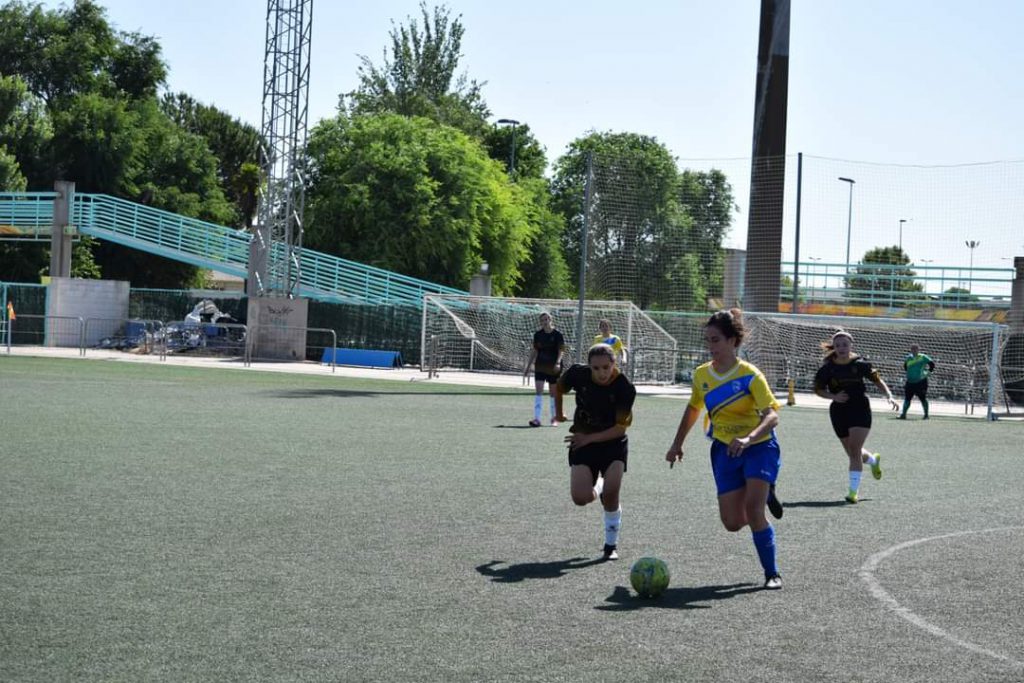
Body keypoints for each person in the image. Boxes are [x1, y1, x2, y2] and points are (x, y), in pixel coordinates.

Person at [665, 309, 784, 590]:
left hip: (758, 447)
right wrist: (677, 443)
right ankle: (764, 494)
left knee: (754, 512)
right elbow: (694, 408)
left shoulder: (750, 375)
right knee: (732, 523)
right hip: (724, 451)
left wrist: (748, 437)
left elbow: (773, 416)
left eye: (716, 340)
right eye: (707, 340)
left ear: (732, 341)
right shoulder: (702, 375)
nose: (711, 347)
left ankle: (772, 573)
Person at [554, 343, 637, 561]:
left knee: (611, 494)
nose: (601, 372)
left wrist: (588, 438)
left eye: (606, 367)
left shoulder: (624, 388)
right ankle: (599, 484)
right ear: (589, 366)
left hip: (613, 444)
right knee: (580, 499)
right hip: (583, 443)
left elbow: (620, 428)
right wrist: (559, 411)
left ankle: (610, 546)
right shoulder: (577, 374)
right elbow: (558, 387)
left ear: (614, 364)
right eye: (596, 368)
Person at [813, 330, 899, 504]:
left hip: (860, 408)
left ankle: (853, 492)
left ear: (851, 344)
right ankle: (873, 460)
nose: (841, 348)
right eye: (838, 345)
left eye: (845, 344)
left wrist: (889, 395)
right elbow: (818, 389)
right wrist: (834, 397)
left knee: (854, 450)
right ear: (834, 347)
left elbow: (877, 381)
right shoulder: (828, 368)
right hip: (838, 411)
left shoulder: (861, 364)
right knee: (851, 452)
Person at [523, 312, 566, 427]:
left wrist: (557, 363)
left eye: (546, 319)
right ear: (540, 322)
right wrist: (528, 367)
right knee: (538, 392)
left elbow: (561, 351)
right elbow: (535, 351)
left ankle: (554, 418)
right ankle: (536, 419)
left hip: (553, 367)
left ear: (550, 320)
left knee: (553, 394)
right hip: (540, 366)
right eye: (542, 320)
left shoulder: (557, 335)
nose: (545, 322)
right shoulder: (538, 335)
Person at [900, 343, 936, 420]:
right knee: (907, 399)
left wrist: (928, 373)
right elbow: (905, 367)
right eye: (912, 349)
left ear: (918, 350)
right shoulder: (908, 358)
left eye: (915, 349)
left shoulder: (923, 357)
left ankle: (926, 415)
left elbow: (932, 364)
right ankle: (903, 414)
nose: (914, 350)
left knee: (923, 399)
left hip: (921, 382)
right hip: (910, 382)